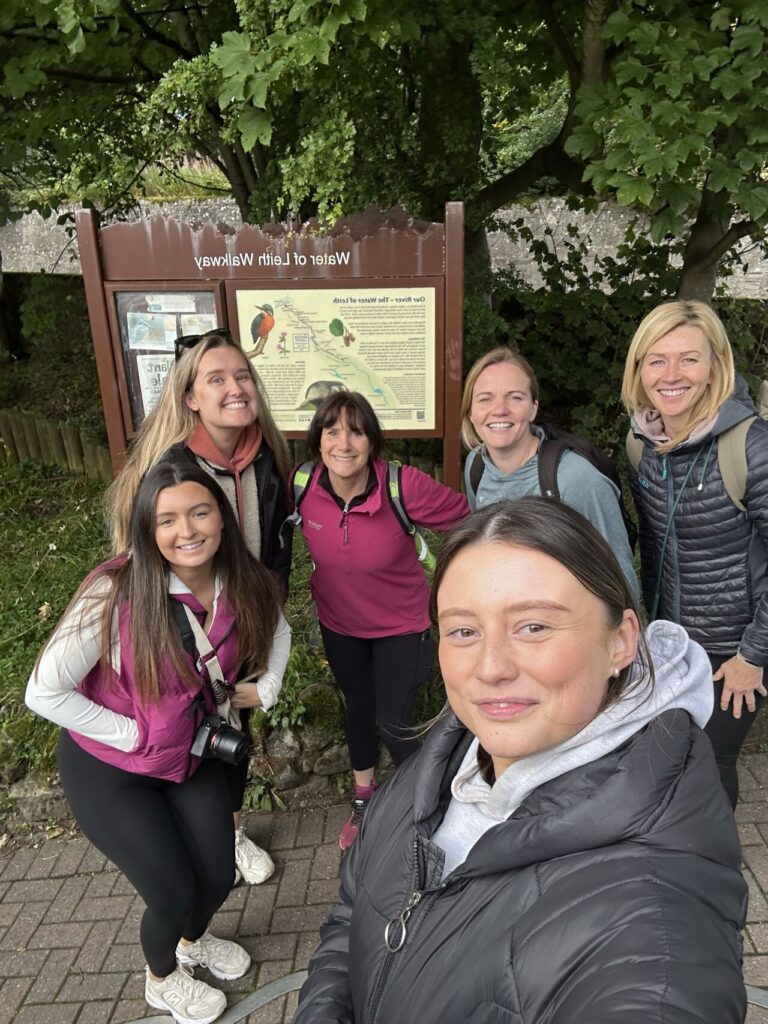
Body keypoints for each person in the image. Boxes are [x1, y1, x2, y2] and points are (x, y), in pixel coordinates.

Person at [293, 498, 747, 1024]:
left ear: (621, 641)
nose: (490, 668)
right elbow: (355, 908)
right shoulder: (447, 758)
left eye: (533, 626)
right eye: (463, 630)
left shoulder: (653, 916)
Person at [26, 462, 291, 1024]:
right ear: (147, 529)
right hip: (109, 771)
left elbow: (281, 628)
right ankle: (162, 978)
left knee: (218, 873)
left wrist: (264, 687)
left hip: (187, 756)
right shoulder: (116, 591)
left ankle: (193, 943)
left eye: (199, 511)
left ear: (221, 515)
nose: (187, 530)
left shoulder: (242, 580)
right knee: (171, 891)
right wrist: (132, 734)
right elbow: (44, 691)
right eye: (166, 519)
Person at [106, 328, 291, 883]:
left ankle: (228, 830)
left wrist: (269, 613)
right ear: (190, 397)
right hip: (184, 630)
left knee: (236, 726)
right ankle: (195, 839)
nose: (235, 388)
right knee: (188, 726)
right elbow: (139, 563)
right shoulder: (173, 469)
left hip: (247, 622)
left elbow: (280, 544)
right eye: (217, 379)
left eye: (242, 376)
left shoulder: (267, 456)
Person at [292, 391, 469, 850]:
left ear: (372, 441)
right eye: (332, 431)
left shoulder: (402, 486)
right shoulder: (303, 484)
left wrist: (462, 590)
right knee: (359, 708)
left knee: (395, 722)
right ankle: (365, 800)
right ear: (318, 440)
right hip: (340, 625)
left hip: (401, 627)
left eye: (356, 431)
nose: (344, 442)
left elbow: (468, 520)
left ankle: (425, 807)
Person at [622, 299, 768, 807]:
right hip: (671, 641)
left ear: (714, 368)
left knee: (712, 763)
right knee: (674, 760)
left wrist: (754, 655)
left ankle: (717, 874)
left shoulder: (750, 446)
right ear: (639, 371)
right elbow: (655, 546)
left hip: (736, 650)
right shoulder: (643, 444)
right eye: (656, 359)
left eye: (689, 358)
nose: (671, 374)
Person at [460, 346, 638, 593]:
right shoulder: (476, 467)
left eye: (515, 397)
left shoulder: (575, 479)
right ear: (471, 411)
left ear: (533, 408)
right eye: (485, 399)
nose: (499, 409)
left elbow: (619, 574)